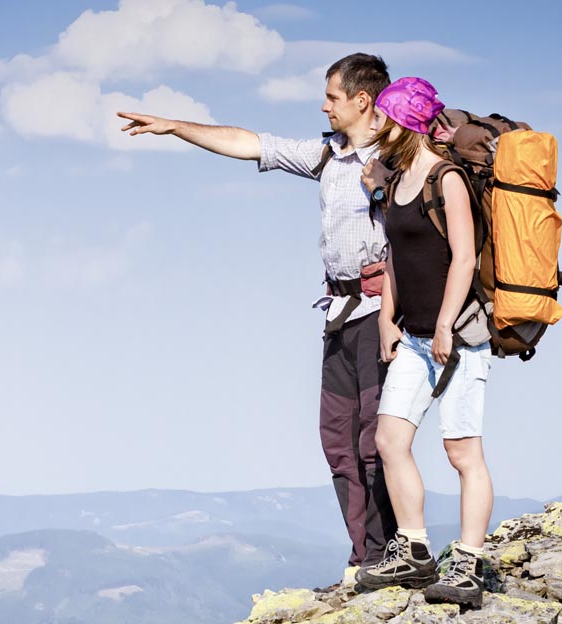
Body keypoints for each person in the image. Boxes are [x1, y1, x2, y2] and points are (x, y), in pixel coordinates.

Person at [117, 54, 397, 580]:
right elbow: (253, 144)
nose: (324, 104)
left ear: (363, 100)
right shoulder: (327, 156)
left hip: (380, 313)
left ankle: (388, 553)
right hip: (339, 313)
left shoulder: (399, 158)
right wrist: (177, 126)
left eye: (332, 96)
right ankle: (363, 554)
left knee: (372, 443)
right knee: (337, 440)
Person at [353, 77, 493, 609]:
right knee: (390, 440)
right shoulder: (396, 180)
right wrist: (390, 319)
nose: (372, 126)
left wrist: (442, 325)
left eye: (380, 117)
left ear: (403, 123)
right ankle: (414, 551)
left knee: (462, 452)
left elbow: (464, 258)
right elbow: (395, 258)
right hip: (413, 338)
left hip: (458, 339)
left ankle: (469, 561)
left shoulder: (446, 178)